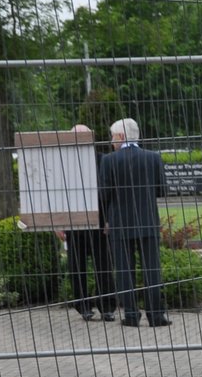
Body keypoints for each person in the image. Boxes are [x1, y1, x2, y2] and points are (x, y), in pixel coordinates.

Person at [98, 117, 169, 328]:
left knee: (124, 270)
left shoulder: (109, 161)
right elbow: (162, 190)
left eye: (112, 137)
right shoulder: (153, 157)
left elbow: (104, 194)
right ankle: (156, 315)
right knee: (152, 269)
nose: (111, 142)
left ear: (120, 136)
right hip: (148, 221)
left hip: (120, 223)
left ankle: (131, 314)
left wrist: (106, 220)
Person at [61, 123, 116, 322]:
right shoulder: (64, 162)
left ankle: (107, 307)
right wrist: (58, 224)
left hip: (100, 222)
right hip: (73, 223)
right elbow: (57, 194)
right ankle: (83, 306)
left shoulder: (103, 160)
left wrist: (110, 220)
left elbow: (111, 194)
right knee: (77, 266)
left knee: (104, 265)